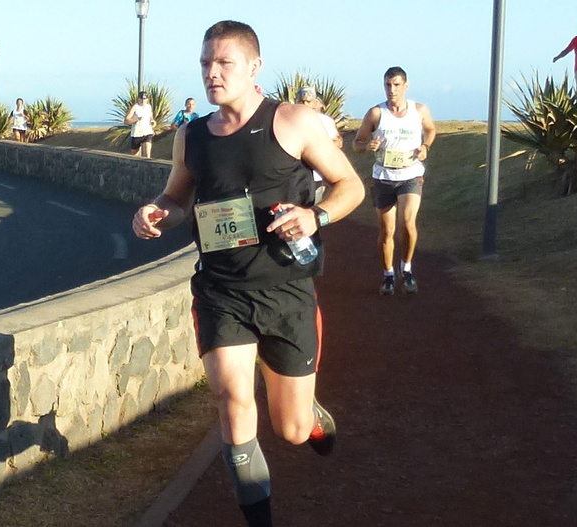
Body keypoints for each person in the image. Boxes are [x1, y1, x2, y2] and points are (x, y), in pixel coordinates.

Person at [132, 20, 364, 527]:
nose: (211, 73)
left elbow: (350, 185)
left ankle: (311, 414)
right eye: (205, 63)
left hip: (285, 290)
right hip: (221, 291)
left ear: (254, 67)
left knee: (291, 429)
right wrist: (156, 212)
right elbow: (176, 197)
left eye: (224, 63)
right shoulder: (192, 135)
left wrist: (315, 216)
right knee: (232, 400)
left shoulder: (293, 122)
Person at [353, 66, 436, 296]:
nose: (392, 89)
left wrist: (425, 146)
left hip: (411, 175)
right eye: (388, 85)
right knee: (387, 230)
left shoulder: (419, 110)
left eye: (396, 85)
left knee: (408, 222)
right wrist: (367, 146)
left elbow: (430, 129)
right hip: (383, 177)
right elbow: (356, 143)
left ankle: (406, 268)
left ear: (406, 86)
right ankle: (388, 274)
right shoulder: (376, 113)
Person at [296, 85, 343, 203]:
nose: (305, 104)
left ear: (315, 103)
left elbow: (337, 143)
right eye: (301, 101)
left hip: (317, 174)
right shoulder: (288, 120)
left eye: (308, 101)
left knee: (314, 207)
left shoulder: (325, 121)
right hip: (294, 175)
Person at [124, 91, 156, 158]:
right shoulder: (135, 107)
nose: (143, 100)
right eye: (141, 98)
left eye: (144, 99)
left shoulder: (149, 107)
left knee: (147, 155)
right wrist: (136, 119)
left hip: (147, 133)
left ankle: (147, 164)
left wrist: (153, 122)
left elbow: (151, 118)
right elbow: (126, 120)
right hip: (136, 134)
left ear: (147, 99)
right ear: (138, 99)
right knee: (135, 156)